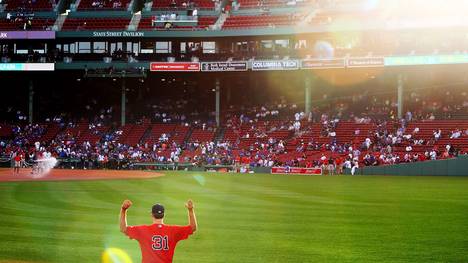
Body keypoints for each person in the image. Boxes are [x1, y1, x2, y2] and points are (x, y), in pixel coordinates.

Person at [120, 199, 197, 263]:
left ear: (152, 214)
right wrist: (190, 210)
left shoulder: (143, 230)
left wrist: (123, 210)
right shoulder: (173, 231)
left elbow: (123, 229)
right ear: (164, 215)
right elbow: (193, 227)